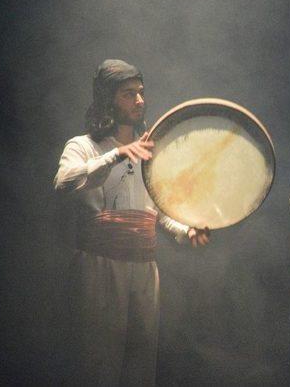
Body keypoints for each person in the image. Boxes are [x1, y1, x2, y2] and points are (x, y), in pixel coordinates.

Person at [54, 59, 209, 386]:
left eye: (141, 93)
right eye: (128, 94)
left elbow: (157, 211)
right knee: (98, 363)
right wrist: (118, 155)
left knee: (138, 365)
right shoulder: (83, 146)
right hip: (100, 267)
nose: (140, 101)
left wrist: (186, 230)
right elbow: (63, 182)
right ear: (108, 99)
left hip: (142, 268)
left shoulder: (151, 153)